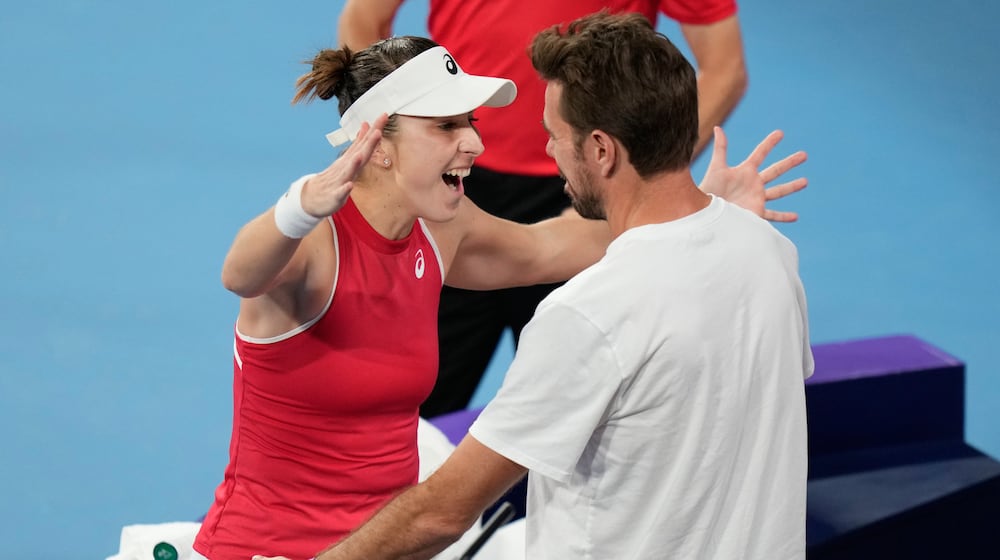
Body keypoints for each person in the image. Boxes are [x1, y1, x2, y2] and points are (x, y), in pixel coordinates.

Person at [195, 27, 805, 560]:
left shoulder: (441, 230)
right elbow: (241, 275)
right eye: (447, 126)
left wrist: (700, 210)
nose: (475, 145)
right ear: (377, 142)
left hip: (390, 544)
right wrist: (300, 207)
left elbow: (553, 244)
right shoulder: (313, 244)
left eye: (470, 122)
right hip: (276, 550)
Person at [338, 0, 752, 417]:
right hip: (455, 182)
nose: (474, 139)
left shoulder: (446, 225)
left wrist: (663, 185)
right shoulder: (323, 245)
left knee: (576, 415)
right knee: (415, 406)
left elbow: (724, 69)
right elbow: (364, 17)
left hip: (584, 185)